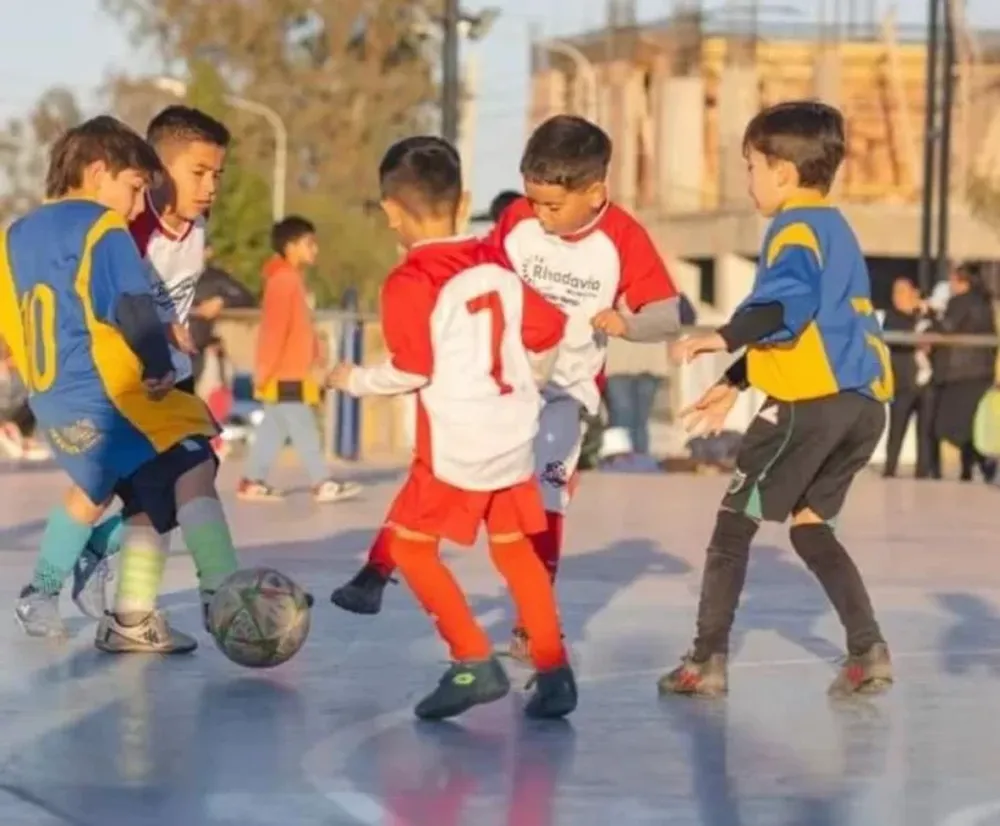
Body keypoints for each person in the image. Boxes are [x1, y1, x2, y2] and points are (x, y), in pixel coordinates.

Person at [331, 115, 680, 661]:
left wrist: (629, 323)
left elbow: (668, 314)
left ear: (596, 193)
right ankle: (379, 568)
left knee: (540, 503)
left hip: (566, 393)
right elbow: (480, 271)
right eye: (532, 202)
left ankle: (529, 629)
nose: (538, 216)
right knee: (434, 468)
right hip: (500, 384)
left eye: (552, 207)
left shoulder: (624, 240)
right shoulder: (517, 219)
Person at [327, 135, 575, 719]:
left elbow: (413, 368)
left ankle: (471, 661)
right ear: (463, 200)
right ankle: (555, 670)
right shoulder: (496, 262)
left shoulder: (409, 281)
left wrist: (354, 379)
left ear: (391, 210)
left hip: (458, 445)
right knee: (516, 554)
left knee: (412, 550)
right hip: (515, 436)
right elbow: (547, 329)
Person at [659, 100, 893, 698]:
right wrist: (735, 382)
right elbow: (814, 323)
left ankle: (704, 661)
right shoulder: (836, 228)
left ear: (782, 173)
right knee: (811, 530)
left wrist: (722, 337)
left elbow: (783, 308)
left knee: (732, 529)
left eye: (750, 167)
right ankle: (868, 650)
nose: (749, 181)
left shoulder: (792, 229)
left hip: (808, 405)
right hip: (862, 405)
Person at [0, 115, 240, 654]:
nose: (137, 204)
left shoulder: (13, 235)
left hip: (51, 398)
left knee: (106, 489)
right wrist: (157, 358)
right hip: (118, 389)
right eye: (135, 188)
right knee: (193, 462)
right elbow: (131, 303)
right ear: (98, 170)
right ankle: (223, 589)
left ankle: (51, 592)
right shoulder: (105, 228)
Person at [237, 216, 361, 503]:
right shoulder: (284, 281)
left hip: (292, 371)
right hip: (285, 373)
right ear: (291, 247)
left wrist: (315, 357)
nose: (314, 249)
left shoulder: (290, 279)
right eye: (309, 243)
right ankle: (322, 482)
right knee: (304, 427)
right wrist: (265, 371)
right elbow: (274, 331)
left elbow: (299, 328)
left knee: (274, 428)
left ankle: (252, 481)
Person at [929, 263, 998, 482]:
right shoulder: (985, 304)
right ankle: (972, 468)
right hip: (981, 372)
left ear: (961, 281)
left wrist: (930, 314)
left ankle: (979, 463)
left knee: (947, 425)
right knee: (971, 425)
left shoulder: (959, 302)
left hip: (959, 373)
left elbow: (947, 327)